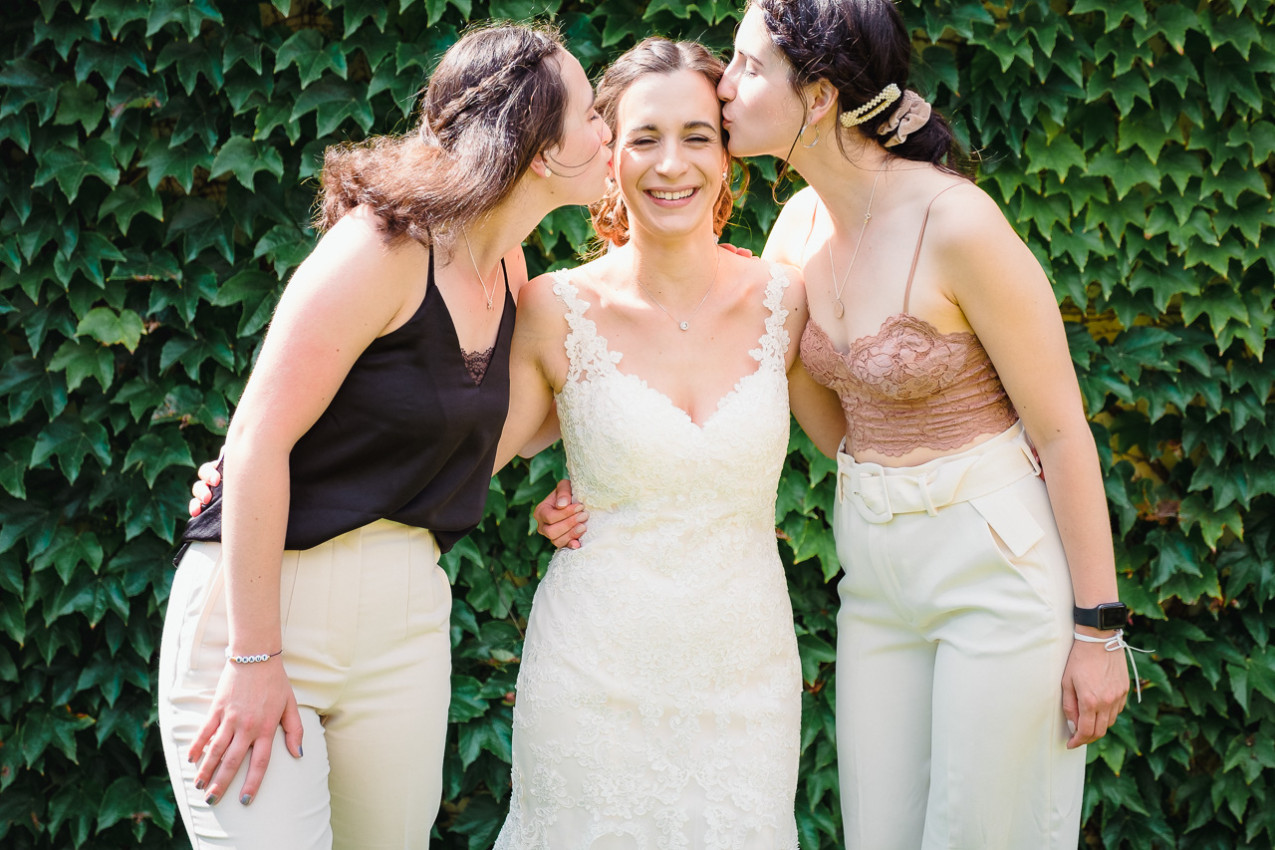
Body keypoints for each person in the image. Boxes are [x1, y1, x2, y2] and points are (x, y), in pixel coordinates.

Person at [539, 1, 1137, 847]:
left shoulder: (957, 223)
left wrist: (1097, 629)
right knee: (876, 831)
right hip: (874, 573)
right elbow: (762, 396)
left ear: (816, 98)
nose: (723, 86)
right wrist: (616, 472)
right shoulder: (794, 232)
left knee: (983, 831)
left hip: (994, 566)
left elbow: (1063, 432)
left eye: (746, 66)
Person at [158, 24, 612, 849]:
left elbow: (486, 439)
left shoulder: (509, 270)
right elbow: (258, 440)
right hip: (268, 609)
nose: (608, 132)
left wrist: (614, 462)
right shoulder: (382, 248)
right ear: (542, 150)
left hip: (405, 620)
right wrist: (255, 660)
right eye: (592, 114)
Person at [489, 36, 821, 848]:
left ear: (726, 150)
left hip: (746, 676)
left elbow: (868, 438)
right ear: (608, 152)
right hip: (593, 672)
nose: (671, 164)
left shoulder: (787, 298)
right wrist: (265, 459)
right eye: (644, 138)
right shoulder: (551, 307)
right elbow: (459, 453)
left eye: (696, 136)